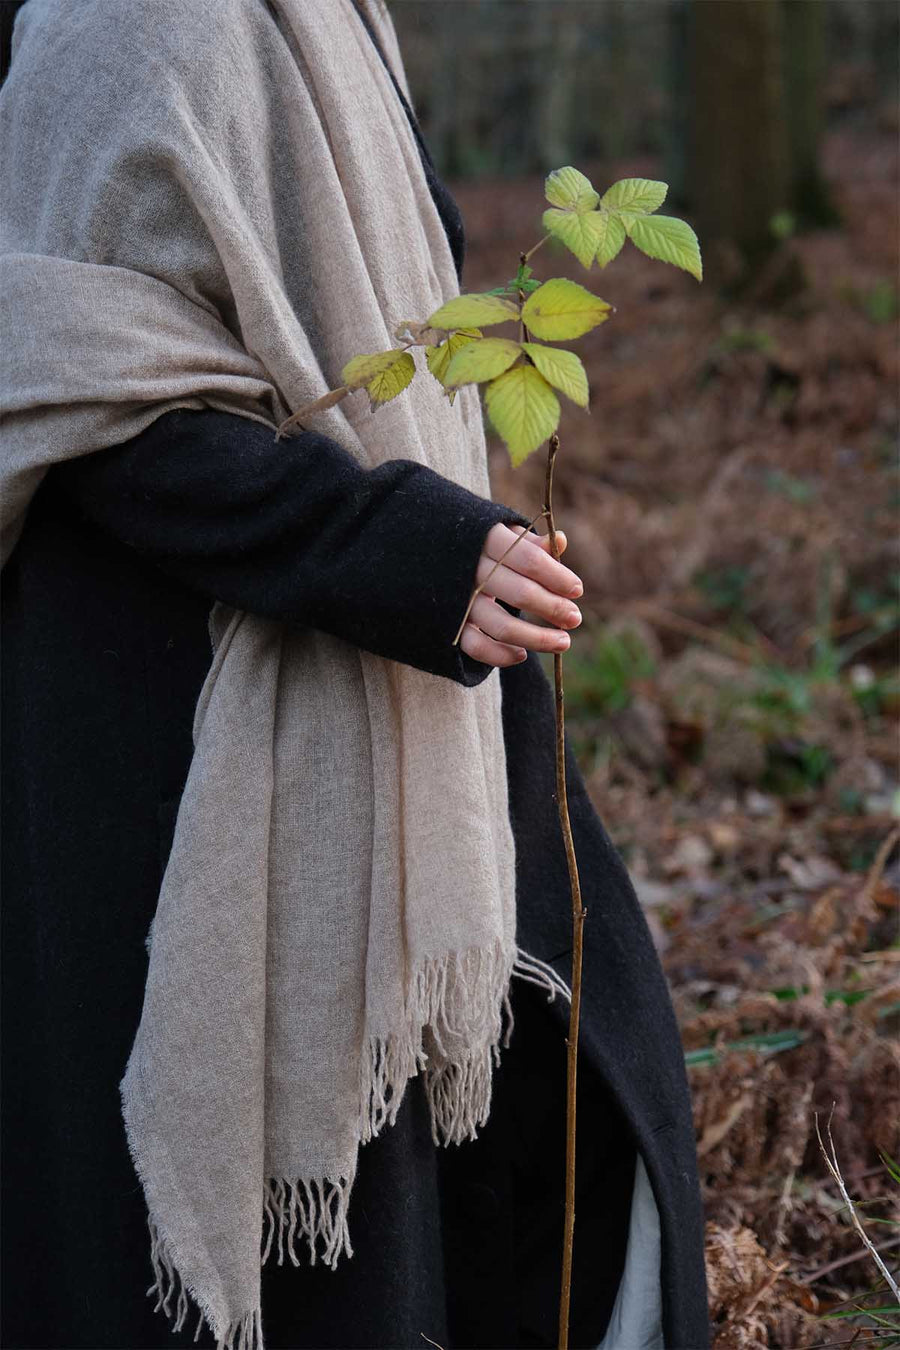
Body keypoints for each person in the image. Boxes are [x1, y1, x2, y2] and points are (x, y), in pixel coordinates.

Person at [0, 2, 710, 1347]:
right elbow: (76, 393)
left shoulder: (334, 14)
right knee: (275, 1256)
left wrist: (447, 530)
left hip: (398, 661)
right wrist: (390, 549)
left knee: (562, 1107)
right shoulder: (114, 24)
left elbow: (391, 311)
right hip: (169, 729)